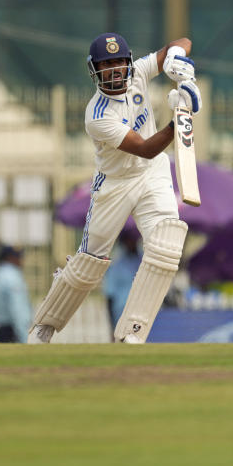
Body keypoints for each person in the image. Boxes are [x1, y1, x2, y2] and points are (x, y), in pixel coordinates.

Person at [27, 32, 200, 344]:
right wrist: (178, 118)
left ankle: (133, 332)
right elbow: (146, 147)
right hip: (115, 185)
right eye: (107, 64)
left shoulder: (140, 74)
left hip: (152, 175)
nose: (116, 69)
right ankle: (46, 324)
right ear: (95, 70)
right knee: (88, 265)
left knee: (167, 245)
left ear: (129, 62)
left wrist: (177, 62)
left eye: (120, 61)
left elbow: (182, 41)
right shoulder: (98, 115)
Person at [0, 246, 32, 343]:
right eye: (18, 257)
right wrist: (24, 337)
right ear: (10, 258)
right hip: (14, 330)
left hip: (0, 328)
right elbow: (18, 310)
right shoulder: (13, 277)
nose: (21, 260)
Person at [102, 233, 143, 338]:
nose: (132, 242)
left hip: (142, 312)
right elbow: (109, 296)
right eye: (129, 240)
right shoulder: (116, 265)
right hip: (121, 313)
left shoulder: (144, 261)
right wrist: (111, 326)